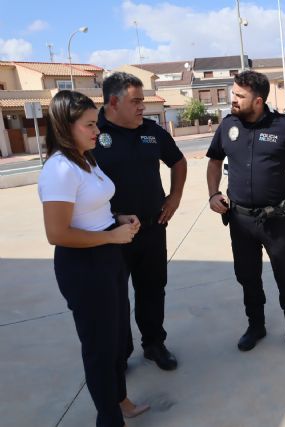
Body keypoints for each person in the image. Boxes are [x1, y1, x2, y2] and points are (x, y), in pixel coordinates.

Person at [38, 90, 149, 426]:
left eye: (95, 123)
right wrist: (110, 236)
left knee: (116, 340)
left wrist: (119, 218)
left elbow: (92, 208)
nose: (96, 130)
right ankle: (109, 419)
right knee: (99, 348)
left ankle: (120, 400)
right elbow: (57, 234)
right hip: (83, 267)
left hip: (108, 257)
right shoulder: (59, 169)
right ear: (64, 128)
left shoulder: (86, 159)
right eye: (88, 125)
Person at [206, 70, 285, 355]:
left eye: (239, 96)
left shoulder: (282, 126)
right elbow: (214, 161)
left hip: (275, 219)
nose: (233, 100)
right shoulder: (228, 125)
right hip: (240, 219)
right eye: (234, 94)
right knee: (248, 276)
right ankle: (256, 326)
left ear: (258, 101)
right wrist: (213, 193)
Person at [93, 72, 187, 371]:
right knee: (113, 297)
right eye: (135, 101)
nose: (142, 107)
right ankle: (120, 352)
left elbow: (179, 161)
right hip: (109, 234)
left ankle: (154, 344)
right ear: (113, 101)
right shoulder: (92, 132)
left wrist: (174, 197)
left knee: (152, 289)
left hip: (151, 228)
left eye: (142, 101)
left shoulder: (151, 131)